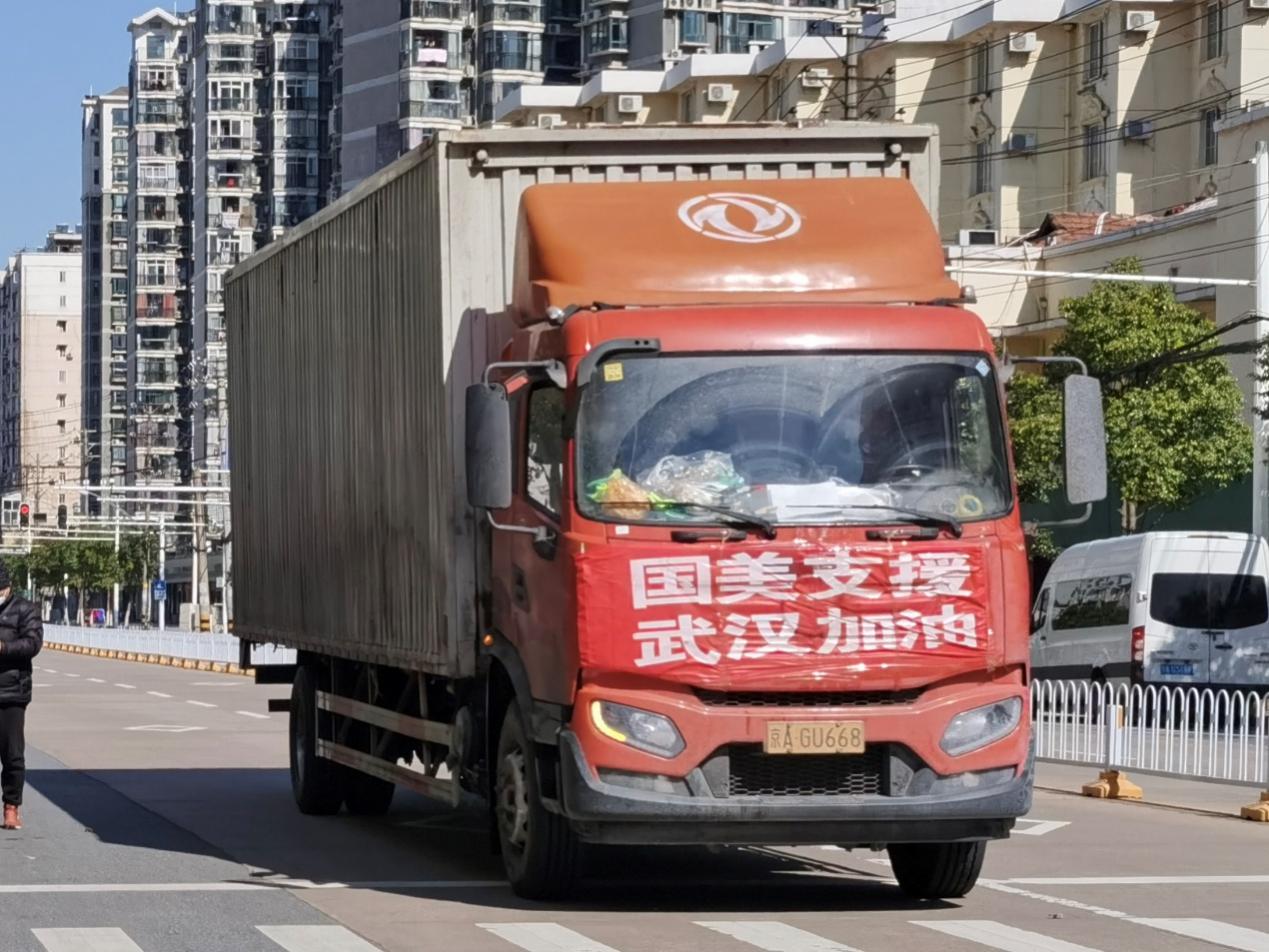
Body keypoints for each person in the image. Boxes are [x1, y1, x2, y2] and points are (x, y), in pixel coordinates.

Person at [0, 562, 42, 830]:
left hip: (11, 692)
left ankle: (11, 806)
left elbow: (33, 643)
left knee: (12, 754)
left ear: (8, 587)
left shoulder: (25, 610)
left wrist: (4, 647)